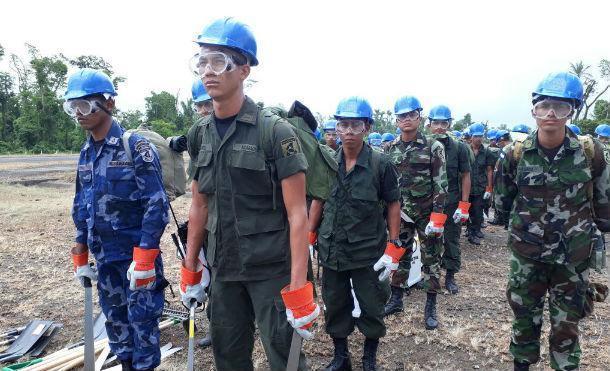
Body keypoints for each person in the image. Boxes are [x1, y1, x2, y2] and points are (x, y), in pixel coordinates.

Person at [179, 17, 318, 371]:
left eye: (219, 62)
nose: (208, 71)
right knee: (228, 356)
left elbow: (297, 214)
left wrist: (300, 289)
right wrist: (191, 267)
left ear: (243, 69)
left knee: (284, 357)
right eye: (202, 62)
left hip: (272, 271)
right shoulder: (200, 134)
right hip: (224, 268)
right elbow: (199, 205)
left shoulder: (275, 132)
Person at [496, 71, 610, 371]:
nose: (551, 113)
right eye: (544, 105)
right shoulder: (514, 154)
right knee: (524, 318)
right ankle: (522, 363)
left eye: (560, 107)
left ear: (572, 110)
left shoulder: (591, 153)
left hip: (573, 256)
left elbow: (603, 203)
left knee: (567, 323)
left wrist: (597, 233)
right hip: (527, 255)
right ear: (533, 110)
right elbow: (502, 203)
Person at [67, 68, 169, 371]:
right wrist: (81, 253)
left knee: (143, 327)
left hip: (136, 261)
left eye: (84, 105)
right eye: (72, 107)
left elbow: (157, 203)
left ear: (108, 104)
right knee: (116, 326)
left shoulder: (135, 147)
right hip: (105, 260)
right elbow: (81, 205)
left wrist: (146, 257)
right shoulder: (86, 152)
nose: (78, 114)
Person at [308, 96, 401, 371]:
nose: (348, 131)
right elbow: (318, 199)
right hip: (332, 248)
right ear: (336, 128)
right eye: (343, 124)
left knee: (372, 305)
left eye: (355, 125)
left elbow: (394, 203)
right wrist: (310, 234)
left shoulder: (379, 163)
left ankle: (369, 358)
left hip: (367, 251)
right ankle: (341, 357)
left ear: (367, 128)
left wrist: (393, 245)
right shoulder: (326, 160)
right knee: (335, 304)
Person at [384, 95, 448, 330]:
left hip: (426, 213)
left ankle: (430, 305)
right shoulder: (389, 148)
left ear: (419, 117)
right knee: (399, 254)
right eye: (402, 116)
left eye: (411, 115)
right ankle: (396, 298)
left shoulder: (433, 146)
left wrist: (437, 217)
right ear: (397, 120)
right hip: (399, 213)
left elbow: (441, 183)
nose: (407, 119)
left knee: (431, 259)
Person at [426, 105, 472, 294]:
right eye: (435, 122)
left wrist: (464, 205)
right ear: (429, 124)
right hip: (429, 203)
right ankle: (430, 276)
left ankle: (451, 276)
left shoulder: (459, 147)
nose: (439, 127)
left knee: (452, 240)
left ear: (449, 124)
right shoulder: (424, 145)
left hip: (452, 203)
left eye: (443, 123)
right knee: (429, 241)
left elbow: (465, 175)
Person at [465, 122, 495, 245]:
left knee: (478, 211)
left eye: (481, 136)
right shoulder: (465, 150)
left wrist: (489, 188)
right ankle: (469, 229)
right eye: (476, 136)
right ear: (471, 136)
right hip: (467, 187)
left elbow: (489, 171)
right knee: (467, 210)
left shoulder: (486, 152)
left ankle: (474, 232)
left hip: (480, 187)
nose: (478, 138)